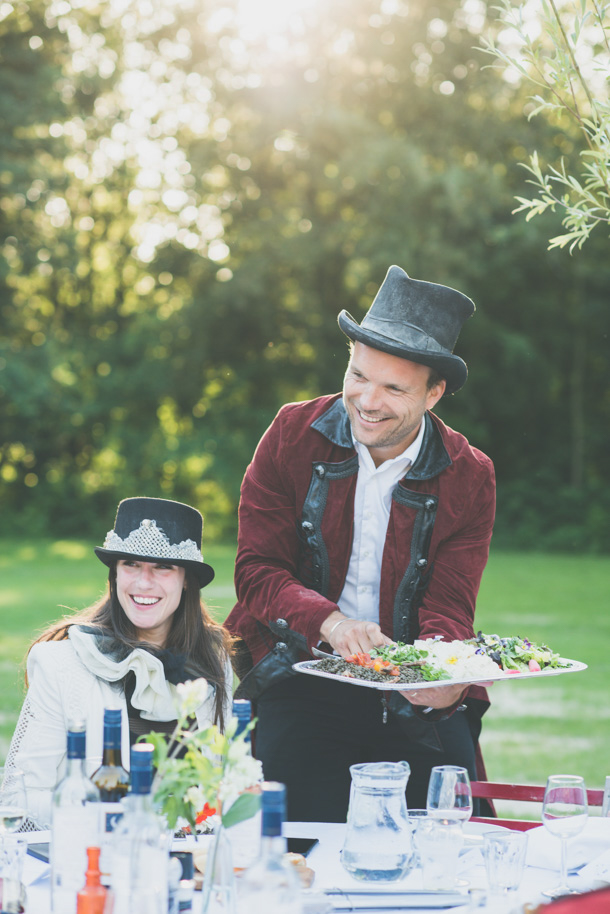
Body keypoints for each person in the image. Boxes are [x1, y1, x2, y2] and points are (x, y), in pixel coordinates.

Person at [226, 264, 496, 821]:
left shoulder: (470, 474)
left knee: (455, 826)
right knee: (279, 833)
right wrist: (332, 624)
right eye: (358, 375)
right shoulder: (291, 433)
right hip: (298, 666)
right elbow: (258, 570)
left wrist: (440, 675)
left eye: (394, 388)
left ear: (434, 393)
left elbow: (449, 604)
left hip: (408, 684)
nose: (367, 401)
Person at [4, 496, 233, 829]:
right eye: (131, 564)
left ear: (187, 580)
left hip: (190, 869)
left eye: (163, 567)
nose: (143, 582)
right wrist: (116, 820)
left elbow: (222, 784)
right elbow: (17, 798)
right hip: (94, 864)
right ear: (114, 574)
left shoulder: (212, 661)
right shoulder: (62, 663)